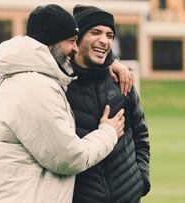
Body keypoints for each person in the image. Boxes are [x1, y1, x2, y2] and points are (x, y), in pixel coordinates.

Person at [0, 4, 130, 203]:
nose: (75, 49)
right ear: (51, 42)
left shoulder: (25, 72)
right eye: (71, 41)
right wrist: (108, 132)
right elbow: (69, 158)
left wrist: (110, 62)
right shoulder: (33, 87)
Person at [66, 5, 150, 202]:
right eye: (95, 32)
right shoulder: (60, 86)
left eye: (109, 35)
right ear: (76, 39)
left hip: (128, 196)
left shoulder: (122, 81)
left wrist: (141, 179)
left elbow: (141, 134)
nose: (104, 40)